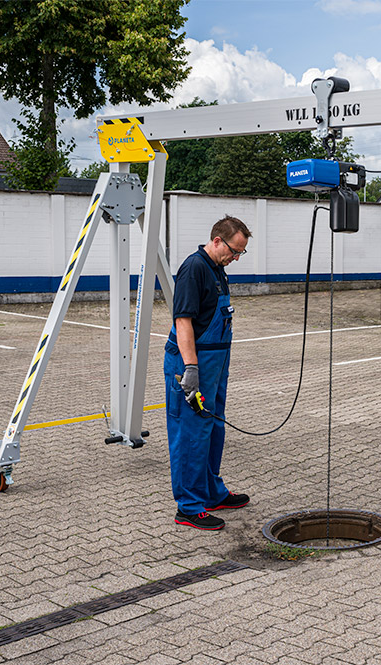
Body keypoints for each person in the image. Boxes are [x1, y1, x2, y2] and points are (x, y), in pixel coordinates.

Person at [164, 215, 252, 530]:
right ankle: (188, 506)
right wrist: (190, 370)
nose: (236, 258)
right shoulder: (194, 269)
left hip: (215, 366)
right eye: (234, 250)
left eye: (241, 253)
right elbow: (183, 322)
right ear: (216, 240)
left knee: (212, 430)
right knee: (190, 434)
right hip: (192, 365)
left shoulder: (217, 268)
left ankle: (212, 492)